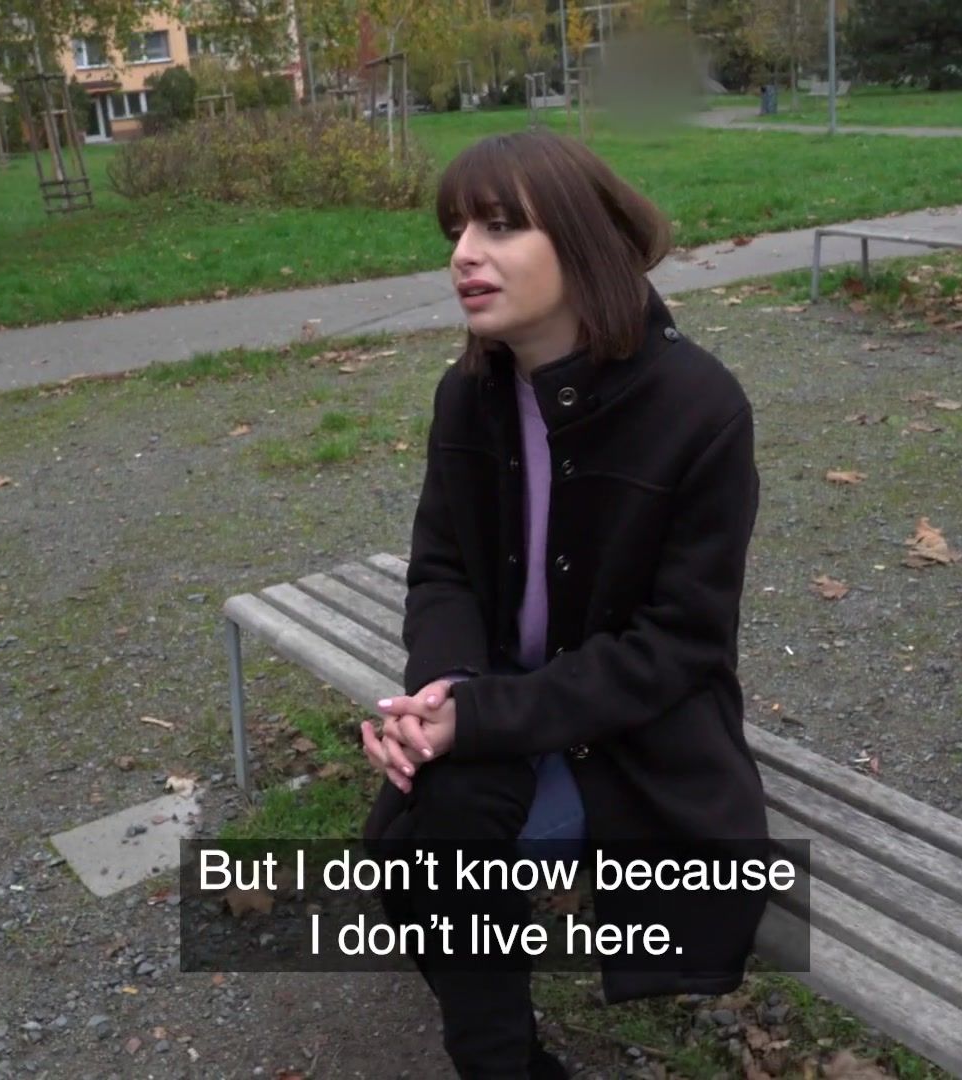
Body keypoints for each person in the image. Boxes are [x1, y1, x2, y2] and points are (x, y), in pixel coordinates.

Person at [357, 130, 768, 1079]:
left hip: (634, 735)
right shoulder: (469, 395)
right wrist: (442, 691)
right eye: (456, 230)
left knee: (430, 853)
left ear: (581, 240)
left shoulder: (698, 408)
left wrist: (476, 717)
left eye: (501, 226)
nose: (465, 255)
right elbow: (442, 572)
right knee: (410, 840)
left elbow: (679, 647)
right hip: (507, 699)